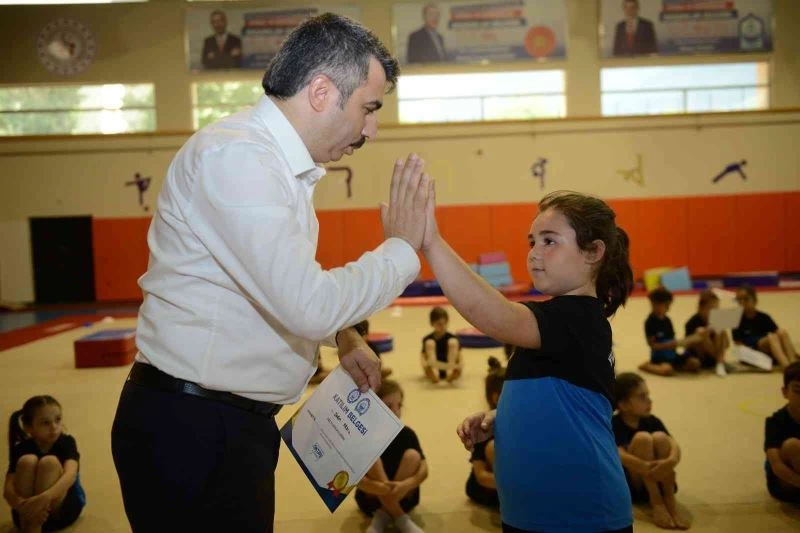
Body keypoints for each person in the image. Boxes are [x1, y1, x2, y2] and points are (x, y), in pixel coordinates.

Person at [111, 14, 433, 533]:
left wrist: (342, 335)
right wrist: (401, 248)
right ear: (323, 91)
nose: (371, 128)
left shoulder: (274, 166)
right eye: (369, 108)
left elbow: (266, 289)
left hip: (224, 424)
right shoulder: (238, 156)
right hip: (192, 428)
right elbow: (304, 304)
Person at [431, 190, 633, 532]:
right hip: (528, 515)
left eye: (550, 241)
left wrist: (431, 243)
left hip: (582, 517)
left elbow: (494, 316)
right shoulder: (557, 323)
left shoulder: (579, 318)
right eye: (532, 242)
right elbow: (567, 395)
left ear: (594, 252)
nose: (534, 254)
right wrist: (504, 417)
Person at [613, 373, 690, 530]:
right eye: (642, 397)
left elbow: (673, 445)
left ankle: (669, 501)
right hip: (635, 486)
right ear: (623, 404)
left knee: (661, 437)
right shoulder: (615, 423)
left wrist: (670, 461)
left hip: (661, 479)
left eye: (648, 395)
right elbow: (617, 454)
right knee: (643, 439)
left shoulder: (652, 420)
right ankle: (657, 502)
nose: (649, 400)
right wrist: (645, 466)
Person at [355, 380, 428, 533]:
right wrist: (377, 487)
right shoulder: (363, 435)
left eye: (399, 406)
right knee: (372, 459)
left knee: (413, 456)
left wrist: (407, 484)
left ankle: (381, 516)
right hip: (371, 498)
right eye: (388, 406)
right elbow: (356, 479)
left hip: (404, 497)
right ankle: (400, 519)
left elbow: (424, 469)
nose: (395, 411)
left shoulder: (407, 434)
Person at [4, 396, 85, 532]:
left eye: (58, 419)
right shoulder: (21, 448)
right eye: (45, 423)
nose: (54, 427)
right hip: (25, 514)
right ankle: (32, 524)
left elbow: (70, 476)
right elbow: (8, 489)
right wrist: (22, 506)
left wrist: (44, 497)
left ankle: (33, 526)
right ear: (29, 427)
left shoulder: (66, 442)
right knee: (27, 461)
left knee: (49, 462)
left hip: (62, 510)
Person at [465, 356, 505, 509]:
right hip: (487, 488)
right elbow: (481, 476)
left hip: (514, 484)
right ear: (495, 398)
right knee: (493, 447)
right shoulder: (484, 427)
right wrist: (516, 486)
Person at [638, 287, 703, 376]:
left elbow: (672, 339)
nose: (668, 309)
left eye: (669, 305)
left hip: (672, 355)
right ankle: (647, 366)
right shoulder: (650, 322)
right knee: (666, 370)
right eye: (666, 305)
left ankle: (674, 367)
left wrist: (685, 342)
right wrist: (671, 344)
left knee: (695, 363)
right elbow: (653, 346)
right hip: (659, 358)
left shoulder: (668, 320)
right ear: (655, 304)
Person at [733, 284, 798, 369]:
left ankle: (794, 364)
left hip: (768, 347)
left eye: (746, 299)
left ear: (754, 300)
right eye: (739, 300)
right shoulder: (736, 320)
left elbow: (780, 334)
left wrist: (793, 352)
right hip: (752, 351)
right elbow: (738, 345)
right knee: (772, 337)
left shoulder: (763, 317)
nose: (742, 303)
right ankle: (787, 368)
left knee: (782, 332)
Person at [764, 361, 800, 504]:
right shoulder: (775, 422)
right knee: (793, 446)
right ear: (785, 392)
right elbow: (777, 466)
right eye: (798, 391)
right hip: (785, 483)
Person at [683, 289, 730, 377]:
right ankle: (719, 361)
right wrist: (704, 334)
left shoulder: (718, 320)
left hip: (714, 356)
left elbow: (726, 345)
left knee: (720, 330)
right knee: (700, 332)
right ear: (700, 309)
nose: (714, 312)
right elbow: (687, 345)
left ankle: (719, 364)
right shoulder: (692, 322)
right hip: (699, 356)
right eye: (710, 309)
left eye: (716, 309)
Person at [421, 306, 462, 383]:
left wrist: (460, 366)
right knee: (430, 343)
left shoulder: (453, 338)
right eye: (439, 324)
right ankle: (434, 374)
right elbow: (423, 357)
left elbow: (460, 356)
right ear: (432, 323)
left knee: (453, 342)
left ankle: (450, 373)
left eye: (445, 323)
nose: (443, 326)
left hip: (450, 365)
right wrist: (425, 366)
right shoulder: (427, 339)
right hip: (434, 365)